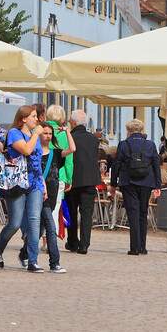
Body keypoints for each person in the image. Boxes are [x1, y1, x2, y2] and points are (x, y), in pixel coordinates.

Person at [0, 105, 46, 272]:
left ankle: (32, 260)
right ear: (23, 119)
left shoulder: (33, 136)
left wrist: (42, 184)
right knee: (14, 223)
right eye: (33, 116)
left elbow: (36, 162)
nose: (37, 119)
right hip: (17, 183)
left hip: (34, 182)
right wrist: (36, 134)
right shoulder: (14, 133)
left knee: (35, 220)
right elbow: (27, 151)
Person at [112, 119, 161, 254]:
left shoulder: (123, 145)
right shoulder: (150, 145)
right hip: (146, 182)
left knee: (133, 213)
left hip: (128, 182)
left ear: (128, 131)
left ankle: (134, 247)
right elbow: (156, 165)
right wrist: (158, 185)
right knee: (143, 213)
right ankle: (143, 247)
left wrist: (113, 184)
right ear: (142, 130)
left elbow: (116, 164)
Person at [38, 105, 71, 272]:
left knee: (46, 221)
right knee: (50, 219)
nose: (48, 135)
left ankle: (46, 254)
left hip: (53, 182)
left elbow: (70, 151)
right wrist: (69, 177)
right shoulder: (44, 138)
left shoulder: (41, 131)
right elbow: (70, 158)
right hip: (51, 182)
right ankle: (51, 259)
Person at [65, 109, 101, 255]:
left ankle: (73, 242)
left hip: (73, 180)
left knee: (72, 212)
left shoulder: (69, 137)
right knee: (87, 213)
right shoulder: (94, 139)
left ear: (73, 122)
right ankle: (85, 244)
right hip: (90, 180)